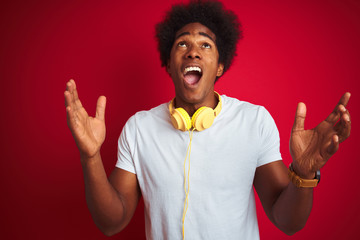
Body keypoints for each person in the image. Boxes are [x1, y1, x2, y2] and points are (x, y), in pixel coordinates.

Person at [64, 0, 352, 239]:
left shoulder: (254, 121)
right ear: (168, 64)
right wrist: (90, 157)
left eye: (205, 45)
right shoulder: (139, 128)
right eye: (182, 44)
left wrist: (303, 174)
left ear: (220, 66)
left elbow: (288, 222)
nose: (193, 51)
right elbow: (111, 222)